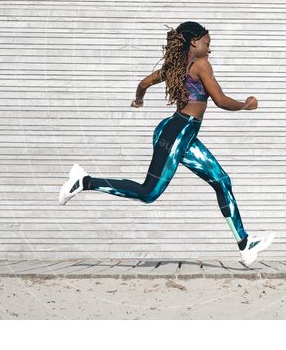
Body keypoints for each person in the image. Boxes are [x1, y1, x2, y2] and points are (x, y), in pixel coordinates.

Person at [58, 21, 274, 265]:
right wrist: (246, 105)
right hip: (176, 133)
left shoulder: (176, 66)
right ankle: (84, 181)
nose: (210, 49)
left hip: (181, 132)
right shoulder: (201, 64)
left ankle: (245, 245)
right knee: (149, 192)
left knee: (221, 181)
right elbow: (220, 100)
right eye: (207, 43)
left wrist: (139, 100)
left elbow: (144, 83)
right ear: (194, 42)